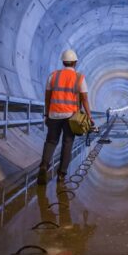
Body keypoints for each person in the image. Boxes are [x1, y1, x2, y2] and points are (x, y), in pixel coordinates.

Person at [38, 49, 94, 185]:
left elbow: (47, 98)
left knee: (51, 142)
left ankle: (44, 166)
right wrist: (89, 116)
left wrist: (46, 114)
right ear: (75, 62)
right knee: (67, 144)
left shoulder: (53, 76)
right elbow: (84, 99)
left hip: (54, 115)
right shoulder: (80, 78)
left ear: (63, 62)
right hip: (71, 117)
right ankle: (61, 175)